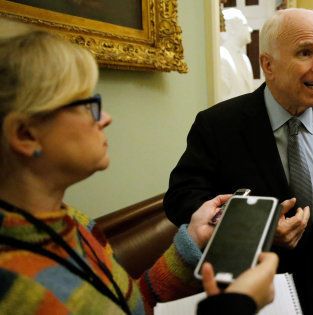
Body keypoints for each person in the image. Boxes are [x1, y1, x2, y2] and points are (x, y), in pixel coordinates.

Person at [0, 18, 277, 315]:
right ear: (25, 134)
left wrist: (193, 240)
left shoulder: (75, 223)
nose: (105, 118)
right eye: (86, 104)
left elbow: (132, 306)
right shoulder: (14, 287)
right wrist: (236, 306)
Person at [164, 8, 313, 314]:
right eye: (305, 52)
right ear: (268, 65)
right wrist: (260, 228)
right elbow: (181, 199)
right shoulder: (219, 124)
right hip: (257, 291)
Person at [218, 8, 255, 102]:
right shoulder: (222, 57)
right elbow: (221, 98)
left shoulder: (244, 58)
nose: (250, 30)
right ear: (232, 29)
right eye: (245, 25)